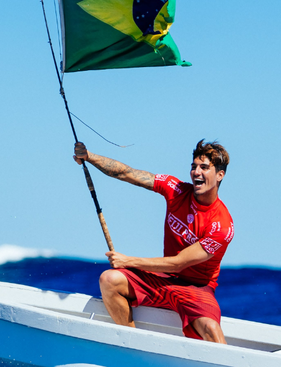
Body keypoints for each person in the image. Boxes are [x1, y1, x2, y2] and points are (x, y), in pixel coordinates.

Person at [73, 140, 234, 343]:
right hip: (163, 279)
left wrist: (127, 261)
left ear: (220, 174)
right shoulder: (175, 189)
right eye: (194, 167)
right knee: (109, 280)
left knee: (211, 329)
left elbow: (179, 263)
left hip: (196, 289)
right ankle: (133, 348)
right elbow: (127, 173)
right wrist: (89, 156)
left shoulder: (222, 225)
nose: (196, 172)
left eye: (204, 167)